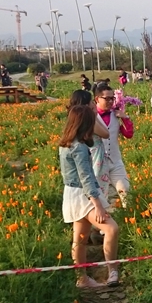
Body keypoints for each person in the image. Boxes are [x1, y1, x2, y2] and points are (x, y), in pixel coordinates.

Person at [59, 105, 120, 288]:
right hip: (84, 196)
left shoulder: (65, 144)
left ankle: (83, 279)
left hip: (71, 194)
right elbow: (86, 178)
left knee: (80, 239)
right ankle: (112, 272)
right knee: (111, 229)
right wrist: (98, 205)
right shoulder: (78, 148)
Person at [95, 85, 134, 210]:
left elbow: (128, 134)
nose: (111, 101)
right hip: (98, 162)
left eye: (112, 98)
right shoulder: (91, 115)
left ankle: (128, 216)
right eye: (107, 99)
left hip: (115, 159)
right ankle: (103, 224)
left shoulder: (116, 114)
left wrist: (125, 118)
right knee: (101, 193)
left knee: (125, 189)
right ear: (97, 99)